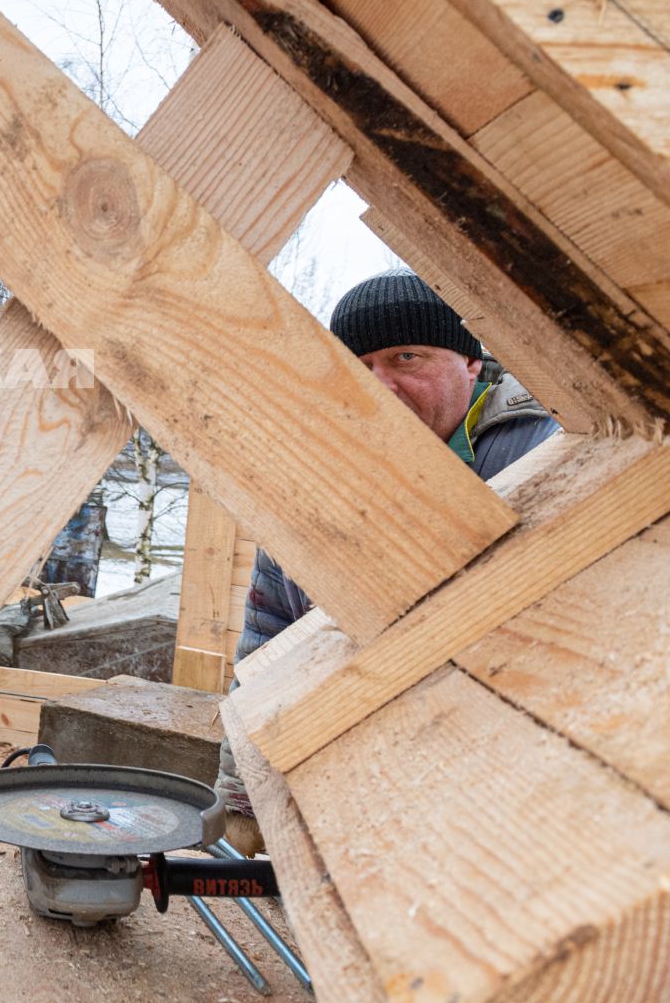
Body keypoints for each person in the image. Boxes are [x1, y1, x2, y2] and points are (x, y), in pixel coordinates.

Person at [217, 270, 558, 849]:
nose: (383, 385)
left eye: (407, 358)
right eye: (361, 367)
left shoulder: (547, 448)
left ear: (471, 363)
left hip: (515, 796)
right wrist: (242, 798)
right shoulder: (308, 482)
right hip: (361, 789)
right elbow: (267, 645)